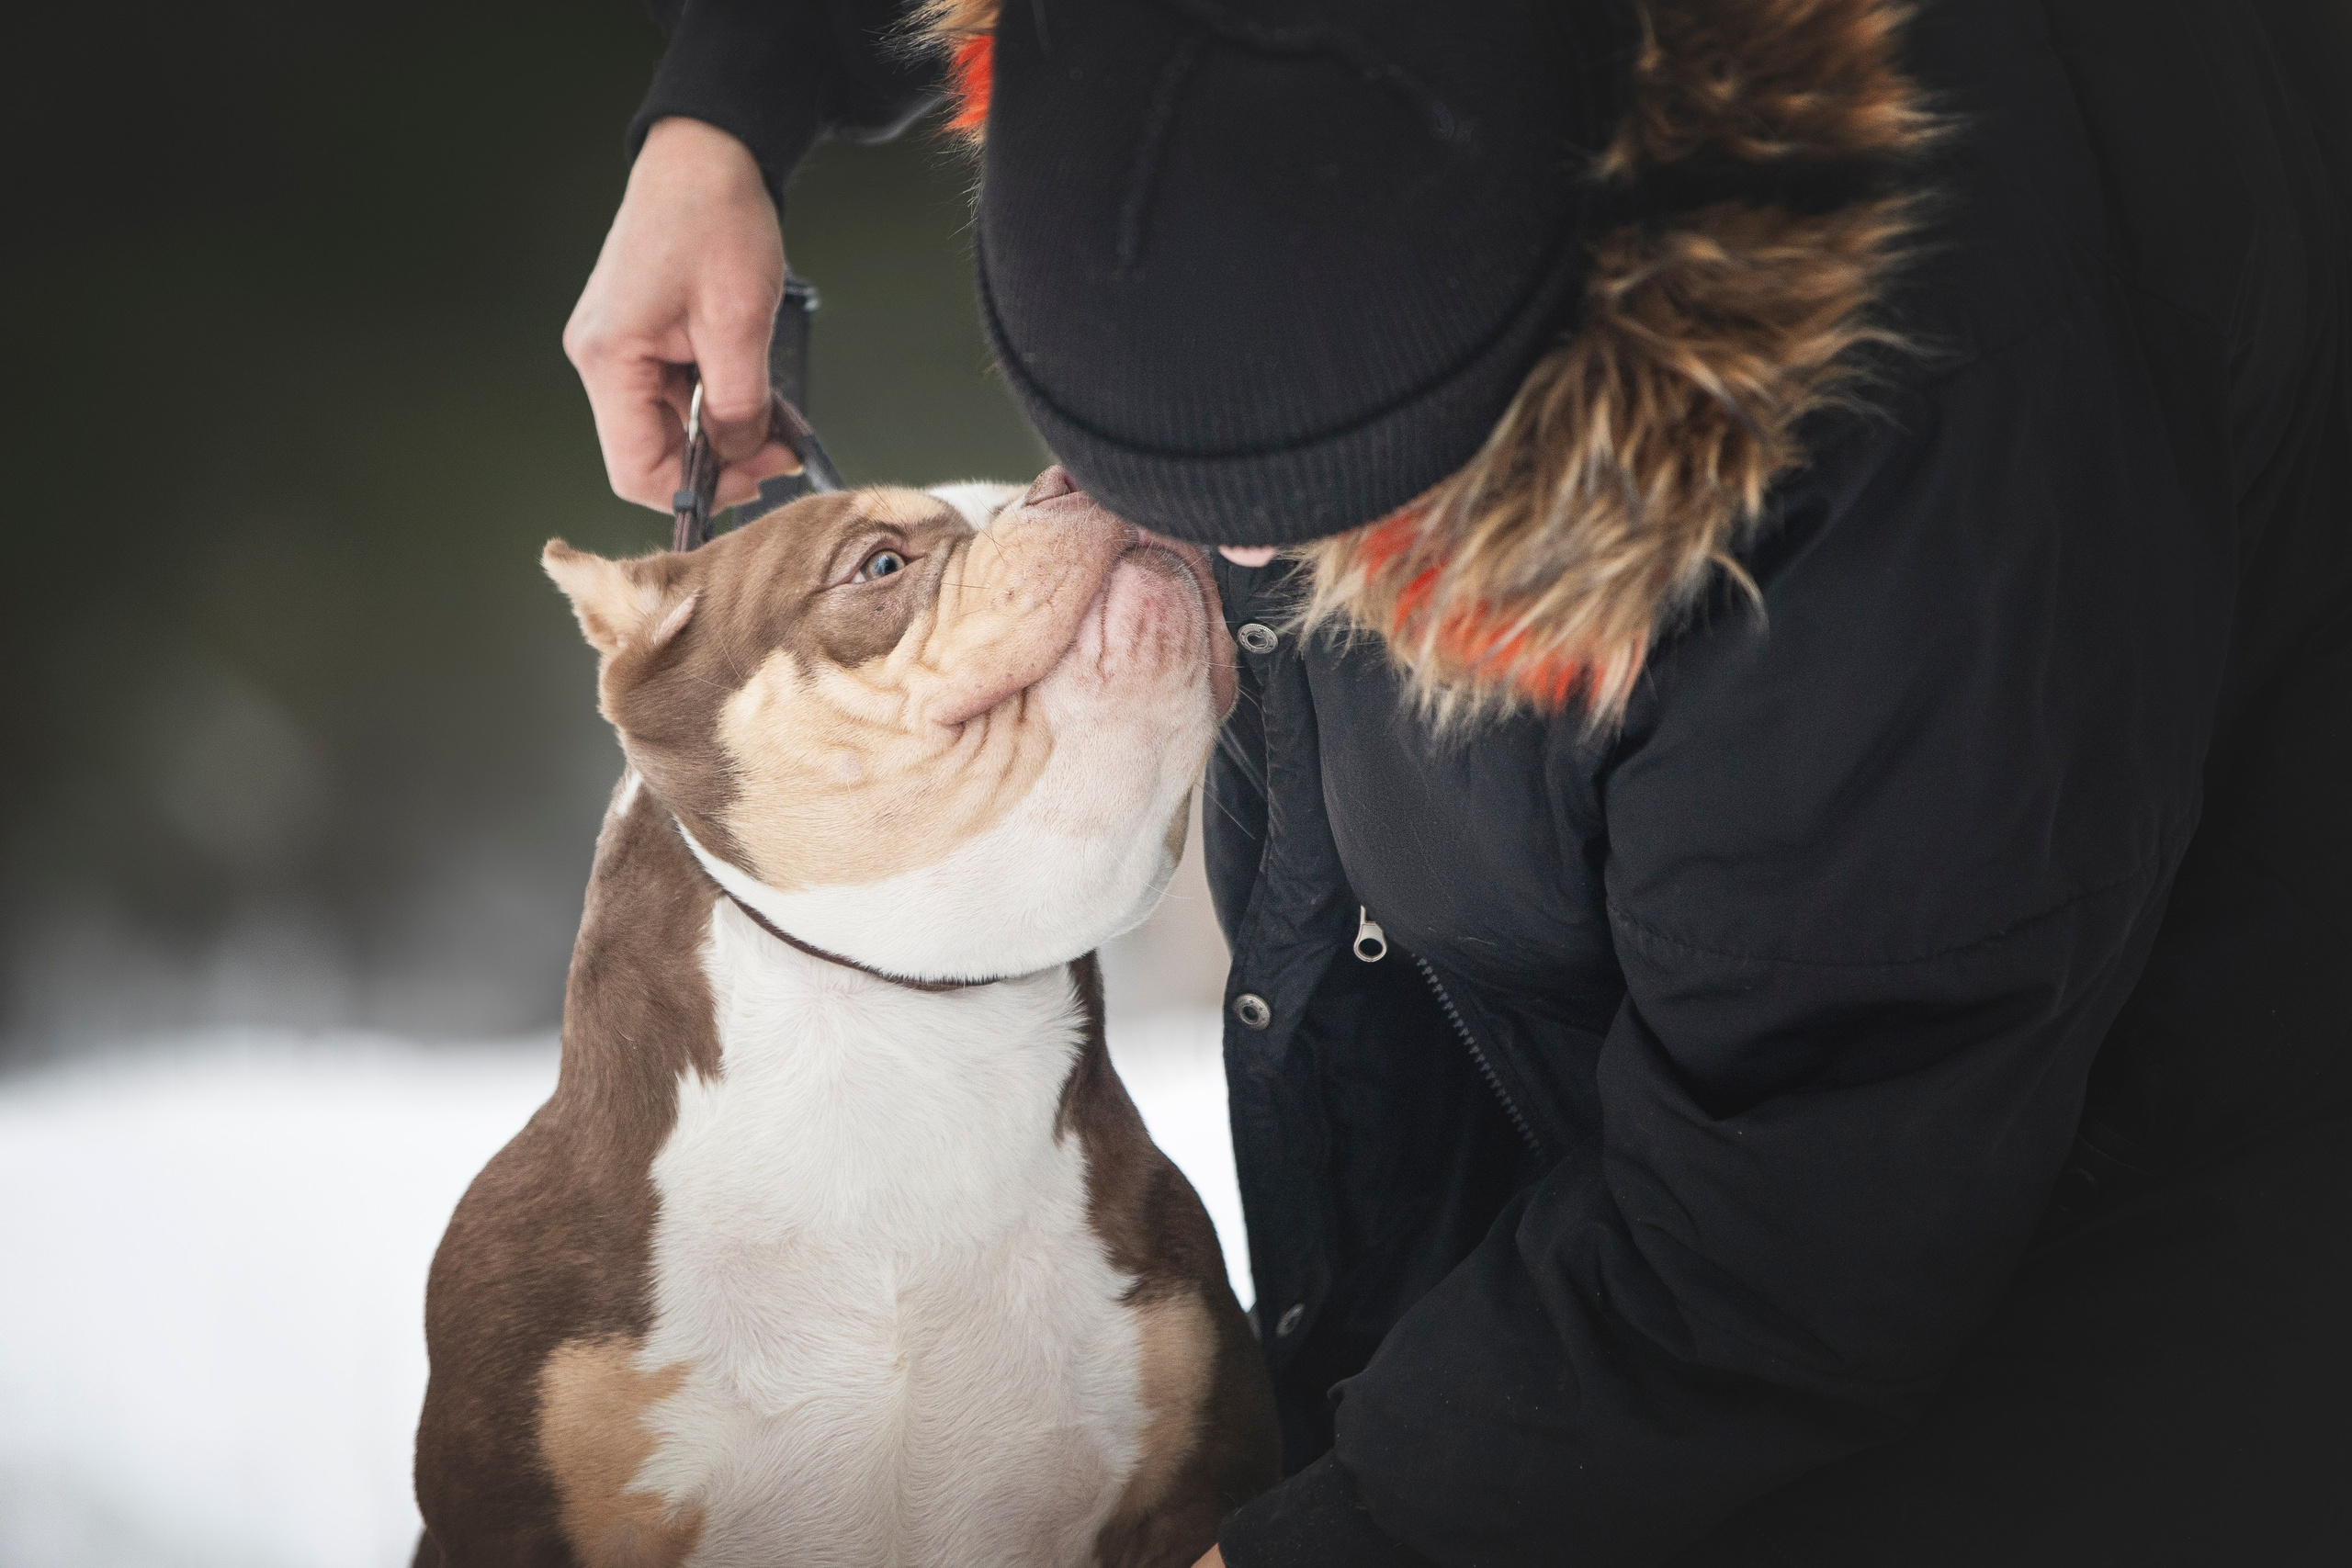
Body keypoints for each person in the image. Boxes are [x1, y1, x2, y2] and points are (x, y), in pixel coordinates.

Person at [564, 1, 2352, 1562]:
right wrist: (734, 88)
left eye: (1304, 514)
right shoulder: (1341, 201)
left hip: (2127, 1156)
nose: (1213, 560)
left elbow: (1796, 1216)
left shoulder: (1891, 478)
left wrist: (1370, 1527)